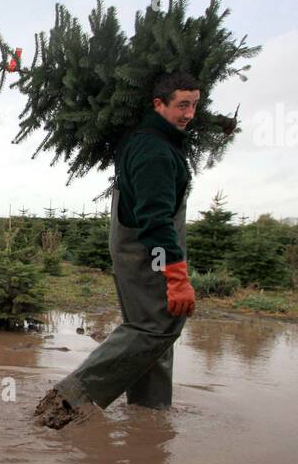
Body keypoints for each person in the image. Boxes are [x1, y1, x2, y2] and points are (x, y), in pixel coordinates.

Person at [34, 71, 200, 429]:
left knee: (152, 334)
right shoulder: (154, 150)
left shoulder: (150, 137)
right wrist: (176, 276)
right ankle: (69, 399)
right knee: (156, 327)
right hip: (148, 249)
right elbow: (156, 219)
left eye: (195, 105)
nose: (189, 114)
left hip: (138, 246)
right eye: (182, 105)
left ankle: (149, 415)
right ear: (159, 105)